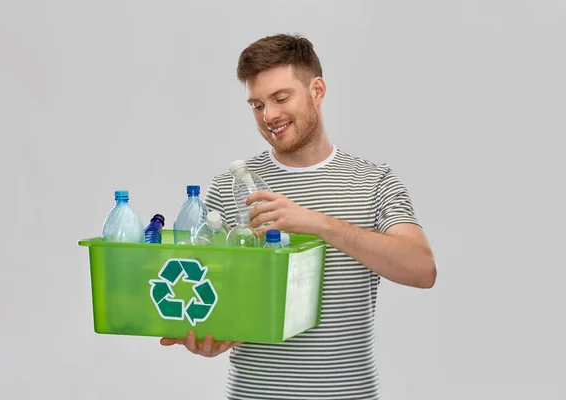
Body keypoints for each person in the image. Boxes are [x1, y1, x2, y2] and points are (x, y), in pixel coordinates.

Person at [160, 33, 437, 399]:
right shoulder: (230, 186)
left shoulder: (373, 181)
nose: (269, 116)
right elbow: (214, 293)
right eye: (257, 105)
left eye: (280, 98)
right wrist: (212, 334)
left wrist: (317, 224)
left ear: (317, 91)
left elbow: (421, 270)